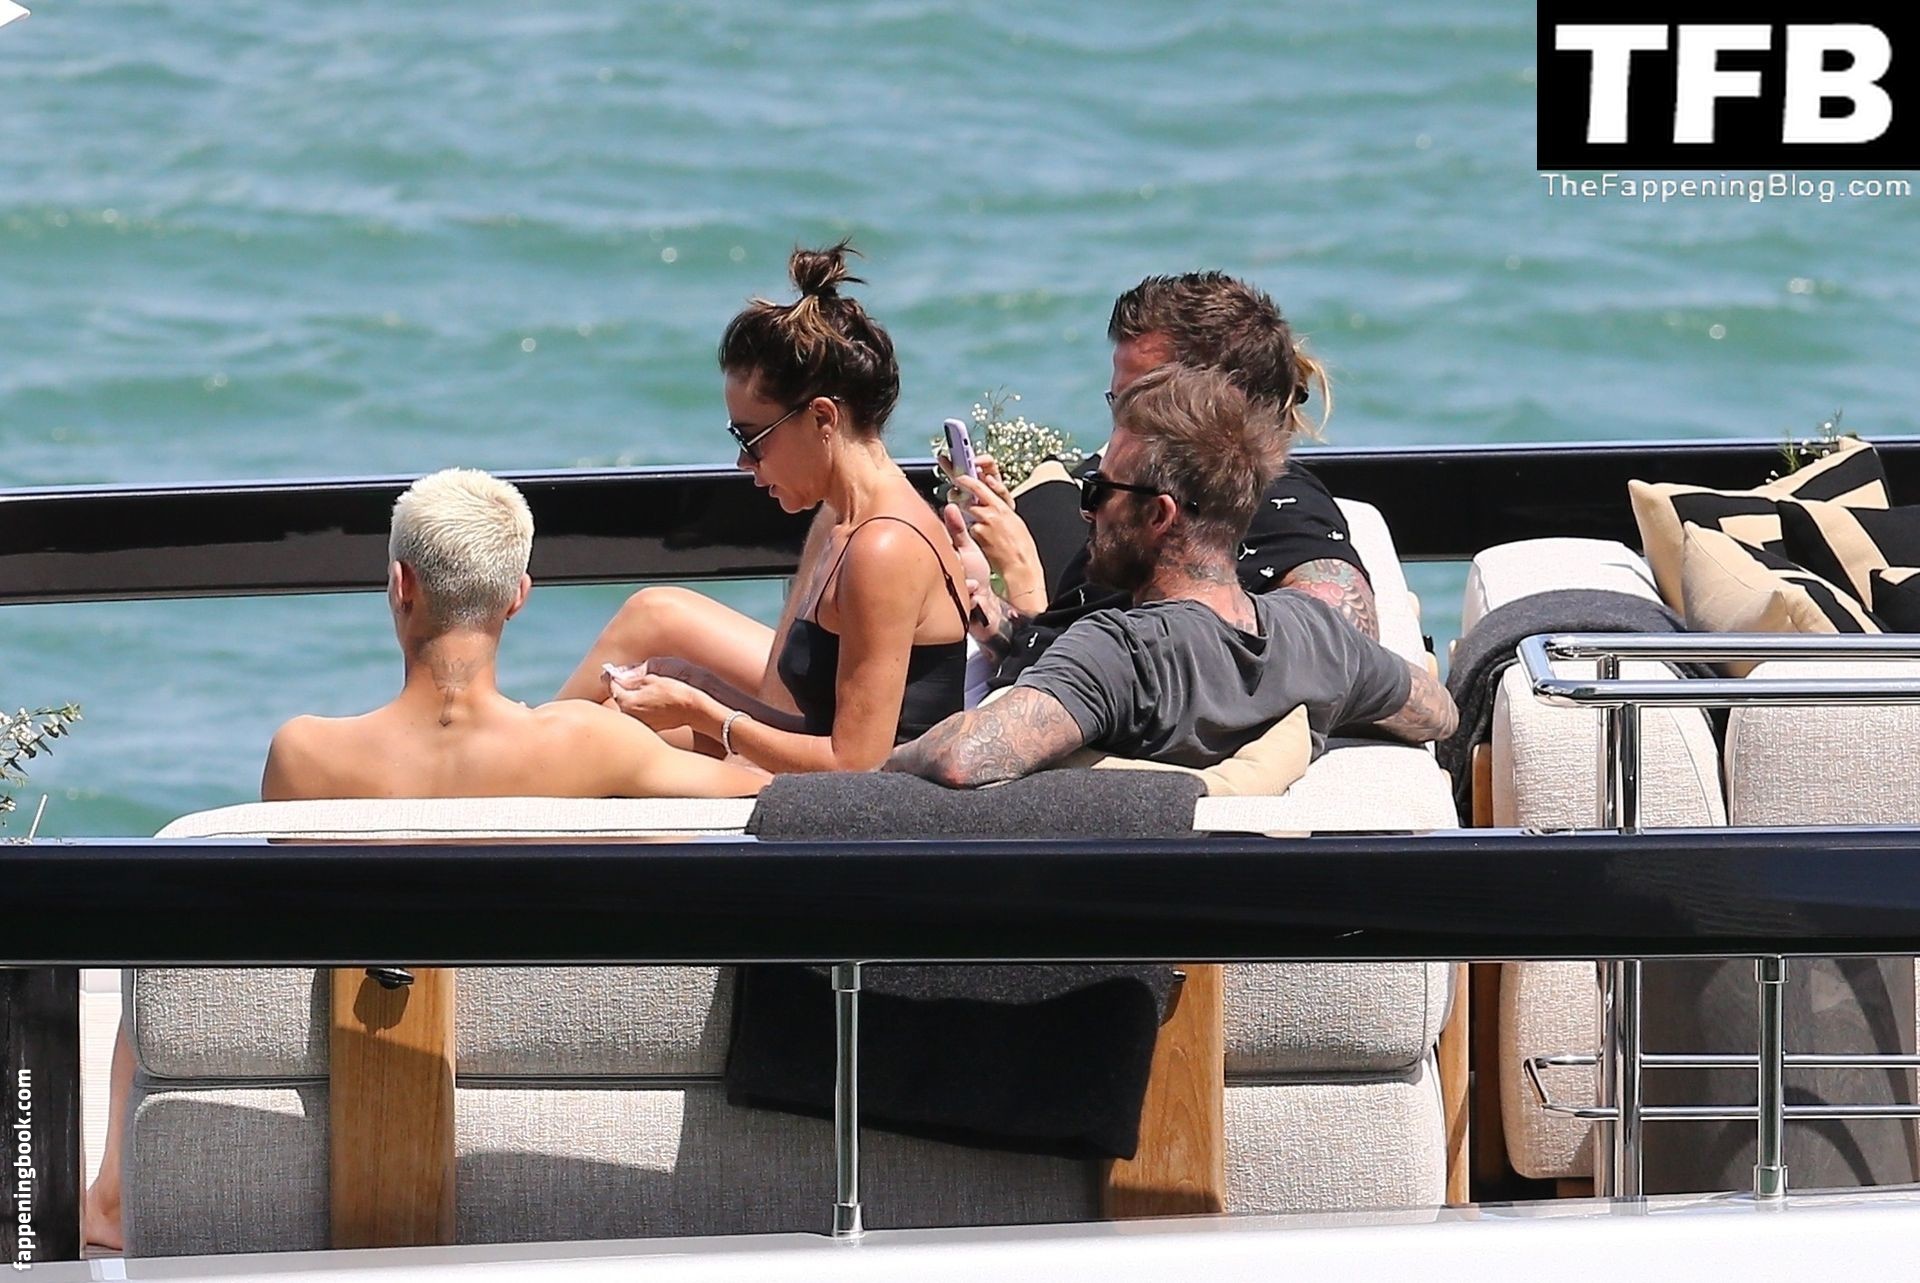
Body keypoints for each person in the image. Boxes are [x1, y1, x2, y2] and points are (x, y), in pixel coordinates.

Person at [82, 468, 763, 1251]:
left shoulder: (306, 755)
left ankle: (111, 1200)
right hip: (521, 1055)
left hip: (353, 1056)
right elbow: (764, 792)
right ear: (518, 596)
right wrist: (707, 718)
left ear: (400, 584)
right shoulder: (592, 745)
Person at [886, 364, 1456, 787]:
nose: (1087, 512)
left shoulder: (1124, 653)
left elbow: (964, 758)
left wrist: (875, 763)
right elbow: (1437, 712)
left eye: (1099, 491)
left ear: (1159, 515)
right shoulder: (1315, 636)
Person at [555, 242, 969, 772]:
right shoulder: (849, 523)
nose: (742, 462)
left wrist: (706, 714)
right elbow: (820, 732)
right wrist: (699, 684)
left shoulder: (883, 547)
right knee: (606, 730)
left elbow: (854, 766)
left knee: (599, 749)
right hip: (837, 806)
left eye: (751, 438)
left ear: (822, 418)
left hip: (874, 819)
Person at [944, 272, 1377, 695]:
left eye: (1140, 401)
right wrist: (990, 612)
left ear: (1226, 407)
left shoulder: (1281, 506)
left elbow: (1350, 659)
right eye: (1119, 402)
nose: (1121, 423)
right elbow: (1061, 643)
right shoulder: (1138, 499)